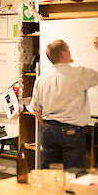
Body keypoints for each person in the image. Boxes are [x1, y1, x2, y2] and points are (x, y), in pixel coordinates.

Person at [30, 38, 98, 169]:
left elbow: (37, 110)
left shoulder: (41, 79)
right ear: (63, 54)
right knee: (72, 174)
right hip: (71, 132)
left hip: (49, 131)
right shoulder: (79, 74)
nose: (70, 52)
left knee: (48, 174)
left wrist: (48, 126)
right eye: (68, 49)